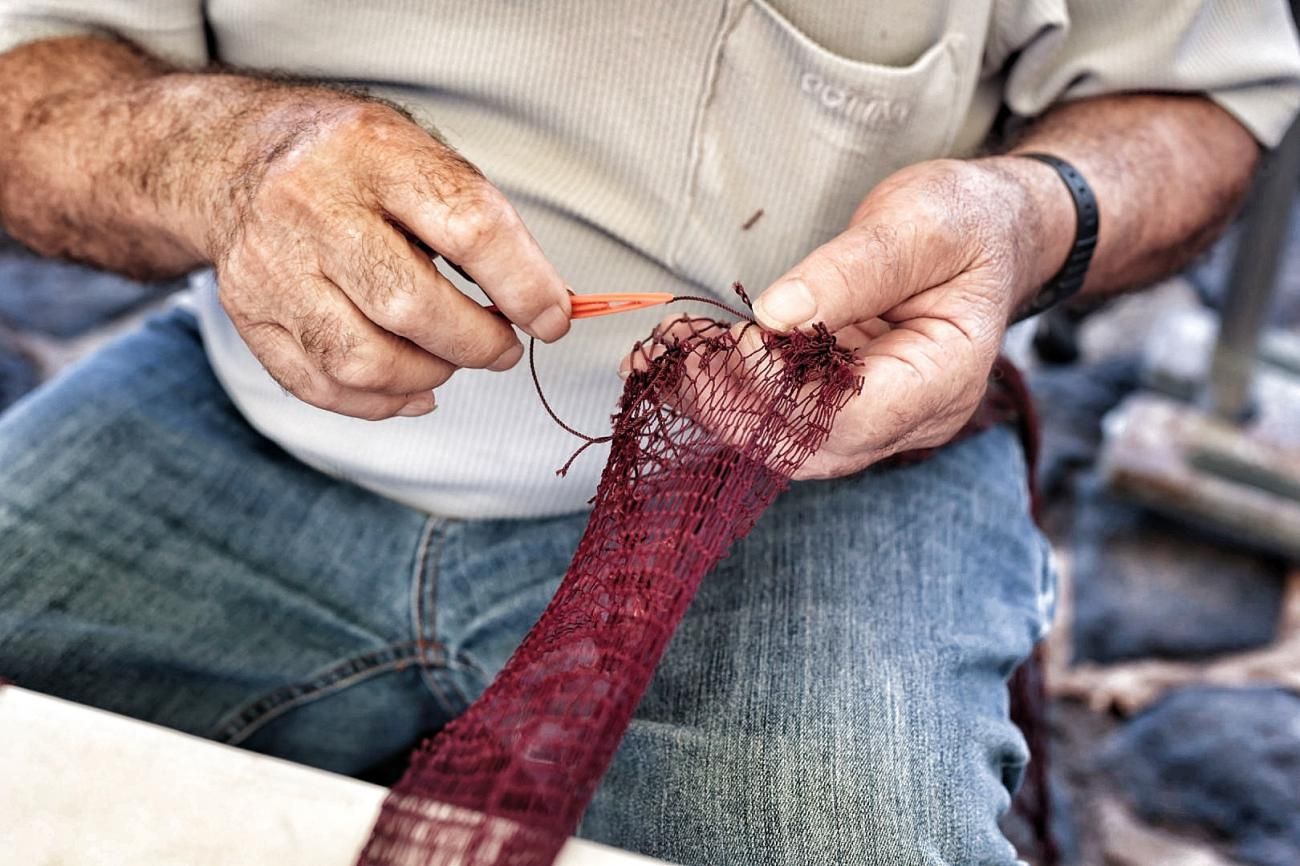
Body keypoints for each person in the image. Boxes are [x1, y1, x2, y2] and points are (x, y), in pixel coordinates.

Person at [1, 3, 1297, 864]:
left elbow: (1188, 98)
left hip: (823, 453)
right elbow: (32, 71)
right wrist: (232, 160)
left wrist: (1025, 216)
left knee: (853, 833)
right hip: (242, 406)